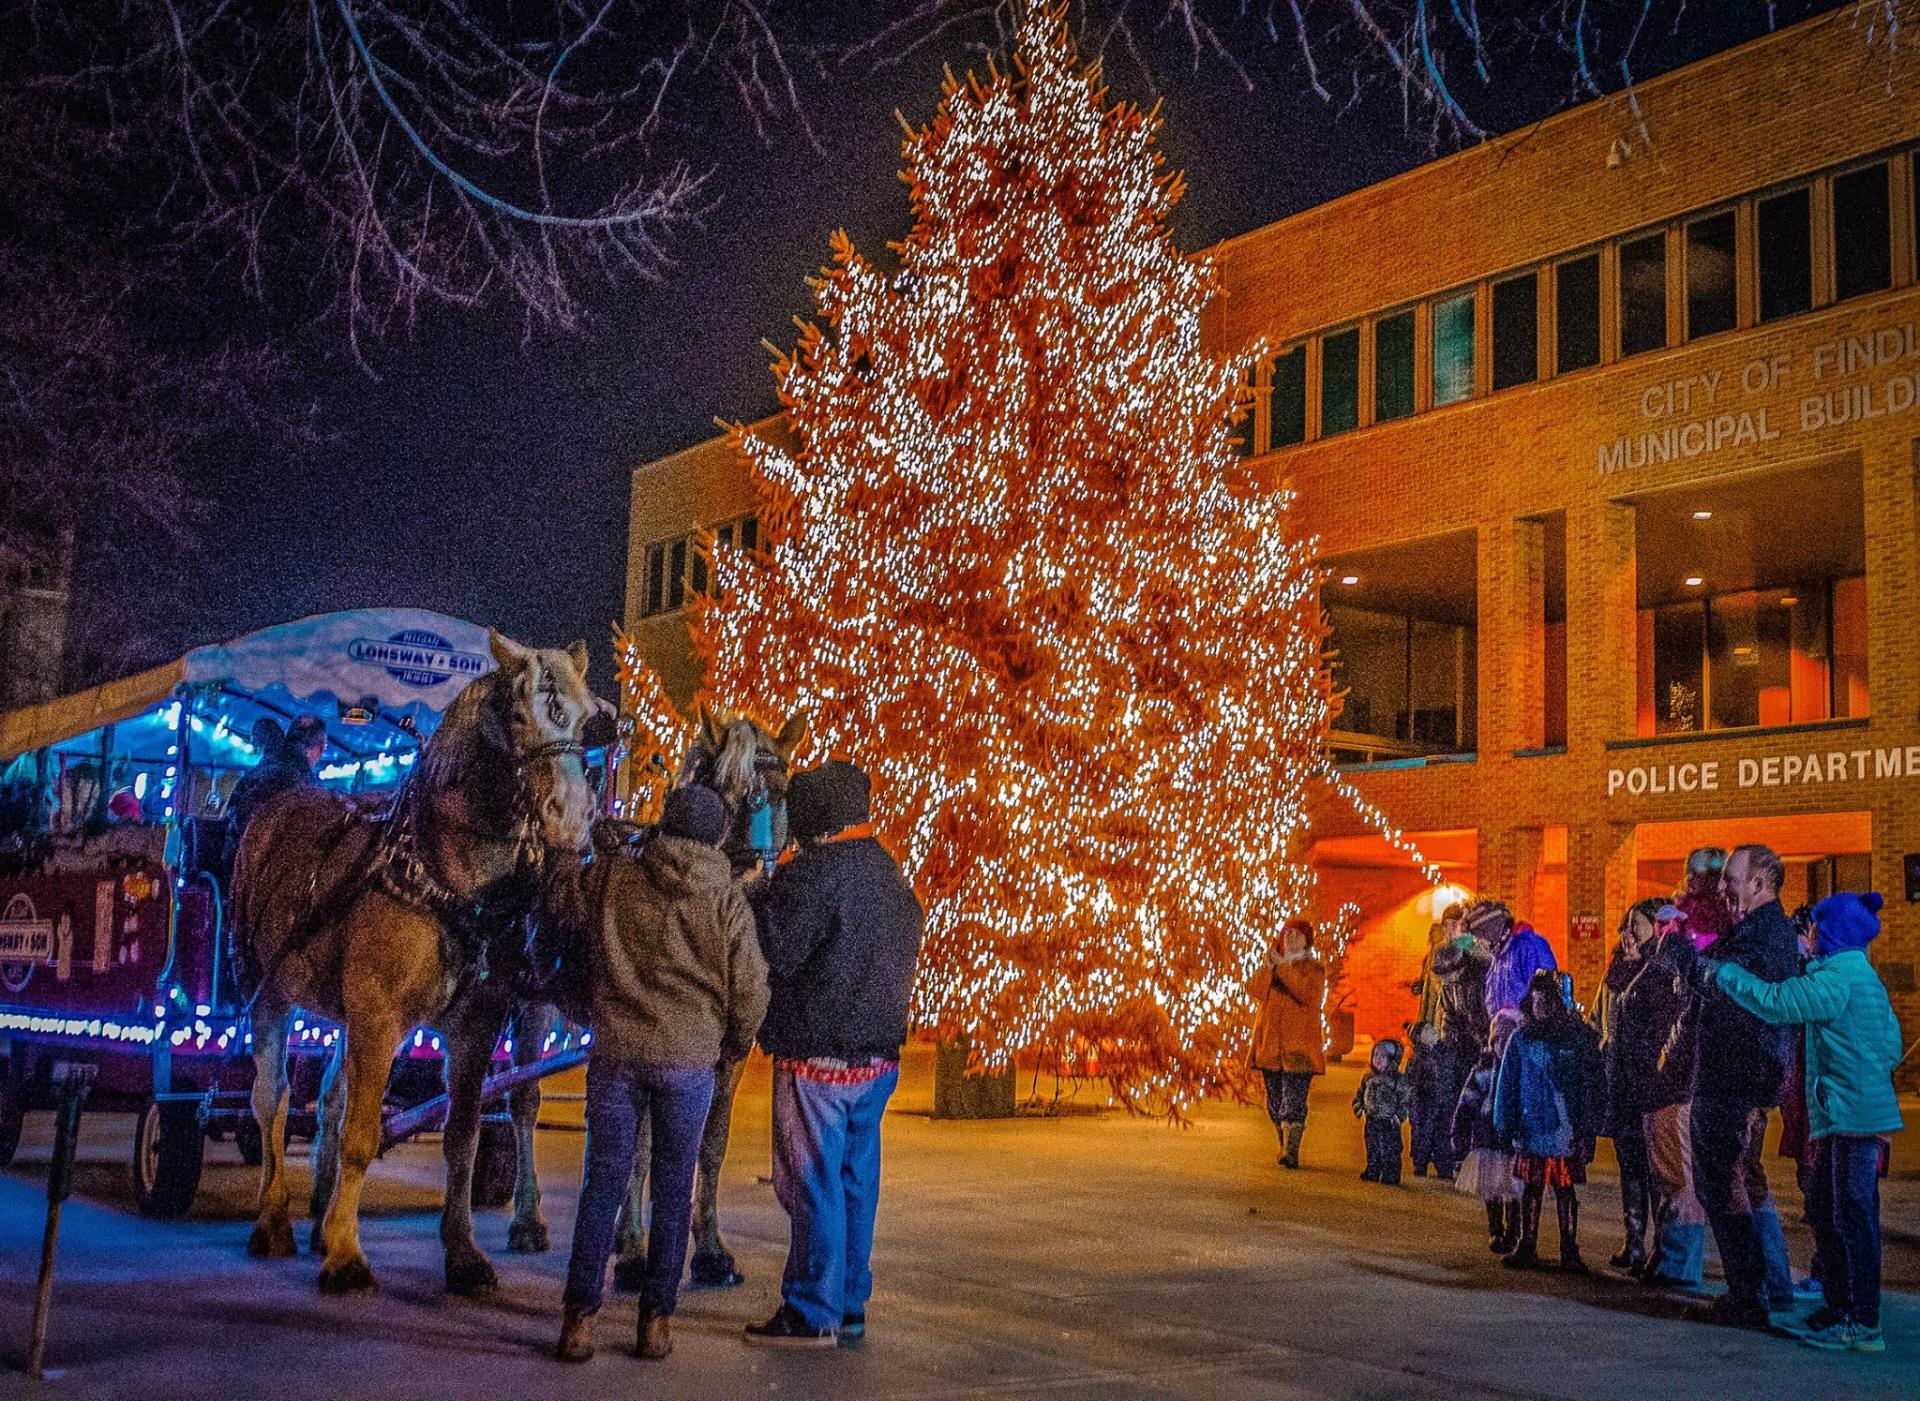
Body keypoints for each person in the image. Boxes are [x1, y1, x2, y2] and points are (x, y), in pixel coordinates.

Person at [556, 786, 769, 1363]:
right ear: (720, 835)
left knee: (603, 1182)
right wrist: (731, 1043)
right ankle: (655, 1323)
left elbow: (564, 909)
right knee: (676, 1193)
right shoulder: (726, 896)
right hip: (689, 1064)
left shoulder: (615, 877)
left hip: (618, 1055)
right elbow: (750, 986)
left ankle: (579, 1320)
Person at [746, 760, 924, 1347]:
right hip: (878, 1060)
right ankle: (849, 1302)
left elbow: (775, 953)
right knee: (854, 1183)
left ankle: (809, 1309)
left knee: (812, 1184)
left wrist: (756, 896)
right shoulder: (890, 874)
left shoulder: (812, 877)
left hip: (817, 1059)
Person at [1707, 891, 1903, 1354]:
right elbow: (1892, 1047)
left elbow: (1777, 1003)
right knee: (1835, 1213)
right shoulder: (1863, 978)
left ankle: (1863, 1322)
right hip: (1851, 1113)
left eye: (1815, 927)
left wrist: (1727, 975)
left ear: (1831, 933)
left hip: (1849, 1116)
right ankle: (1840, 1308)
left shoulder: (1838, 980)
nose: (1808, 934)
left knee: (1852, 1217)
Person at [1685, 843, 1800, 1330]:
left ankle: (1749, 1293)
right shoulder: (1753, 930)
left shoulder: (1766, 935)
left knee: (1725, 1181)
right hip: (1732, 1077)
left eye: (1732, 879)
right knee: (1731, 1182)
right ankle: (1759, 1286)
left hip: (1738, 1079)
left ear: (1759, 883)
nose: (1724, 888)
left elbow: (1727, 982)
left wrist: (1691, 964)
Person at [1617, 903, 1708, 1288]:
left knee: (1676, 1174)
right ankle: (1666, 1253)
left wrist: (1659, 1071)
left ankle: (1680, 1262)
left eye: (1640, 925)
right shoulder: (1647, 966)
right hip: (1650, 1087)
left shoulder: (1670, 965)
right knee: (1662, 1174)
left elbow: (1671, 1029)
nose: (1630, 934)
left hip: (1668, 1086)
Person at [1492, 970, 1604, 1271]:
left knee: (1564, 1187)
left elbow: (1588, 1087)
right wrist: (1505, 1122)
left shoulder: (1577, 1041)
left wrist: (1587, 1128)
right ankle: (1527, 1242)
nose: (1540, 1006)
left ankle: (1569, 1246)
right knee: (1532, 1185)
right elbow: (1508, 1084)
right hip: (1531, 1127)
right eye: (1536, 1000)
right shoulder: (1521, 1039)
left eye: (1547, 1000)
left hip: (1565, 1128)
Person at [1597, 898, 1663, 1274]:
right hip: (1620, 1079)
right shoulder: (1618, 972)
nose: (1628, 934)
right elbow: (1606, 1021)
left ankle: (1660, 1246)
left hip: (1648, 1081)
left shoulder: (1658, 972)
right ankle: (1633, 1240)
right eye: (1626, 926)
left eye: (1636, 925)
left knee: (1655, 1168)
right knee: (1630, 1164)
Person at [1248, 917, 1327, 1170]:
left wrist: (1282, 966)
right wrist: (1270, 967)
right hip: (1270, 1046)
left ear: (1306, 941)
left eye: (1297, 935)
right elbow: (1254, 989)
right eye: (1287, 934)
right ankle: (1283, 1143)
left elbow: (1305, 993)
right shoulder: (1273, 966)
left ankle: (1290, 1150)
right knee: (1274, 1101)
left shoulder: (1313, 968)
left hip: (1298, 1049)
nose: (1291, 939)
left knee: (1293, 1101)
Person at [1453, 1010, 1522, 1252]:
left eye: (1507, 1039)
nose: (1502, 1045)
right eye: (1498, 1040)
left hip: (1512, 1137)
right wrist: (1460, 1130)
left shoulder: (1520, 1068)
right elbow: (1468, 1099)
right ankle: (1495, 1229)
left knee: (1513, 1187)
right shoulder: (1484, 1066)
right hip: (1487, 1135)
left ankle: (1513, 1230)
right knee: (1491, 1186)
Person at [226, 713, 326, 842]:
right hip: (270, 858)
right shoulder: (310, 787)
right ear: (322, 747)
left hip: (233, 852)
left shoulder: (259, 771)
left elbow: (231, 812)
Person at [1467, 900, 1557, 1020]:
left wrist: (1525, 1026)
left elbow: (1545, 994)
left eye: (1478, 937)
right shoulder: (1497, 959)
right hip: (1504, 1034)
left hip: (1527, 1034)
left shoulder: (1529, 946)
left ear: (1491, 931)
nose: (1477, 943)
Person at [1353, 1037, 1411, 1185]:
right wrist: (1359, 1107)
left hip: (1389, 1121)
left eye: (1383, 1056)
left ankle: (1390, 1173)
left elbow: (1404, 1100)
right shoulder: (1368, 1077)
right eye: (1376, 1055)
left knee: (1390, 1148)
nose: (1378, 1059)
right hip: (1371, 1118)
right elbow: (1360, 1094)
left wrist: (1399, 1116)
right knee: (1372, 1146)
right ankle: (1373, 1169)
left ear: (1392, 1060)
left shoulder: (1397, 1080)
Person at [1407, 1021, 1457, 1179]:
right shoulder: (1418, 1058)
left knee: (1443, 1135)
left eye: (1433, 1029)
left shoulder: (1445, 1052)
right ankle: (1420, 1164)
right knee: (1424, 1134)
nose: (1433, 1032)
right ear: (1419, 1038)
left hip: (1444, 1101)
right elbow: (1411, 1081)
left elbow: (1452, 1073)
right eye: (1428, 1031)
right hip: (1424, 1103)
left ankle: (1444, 1167)